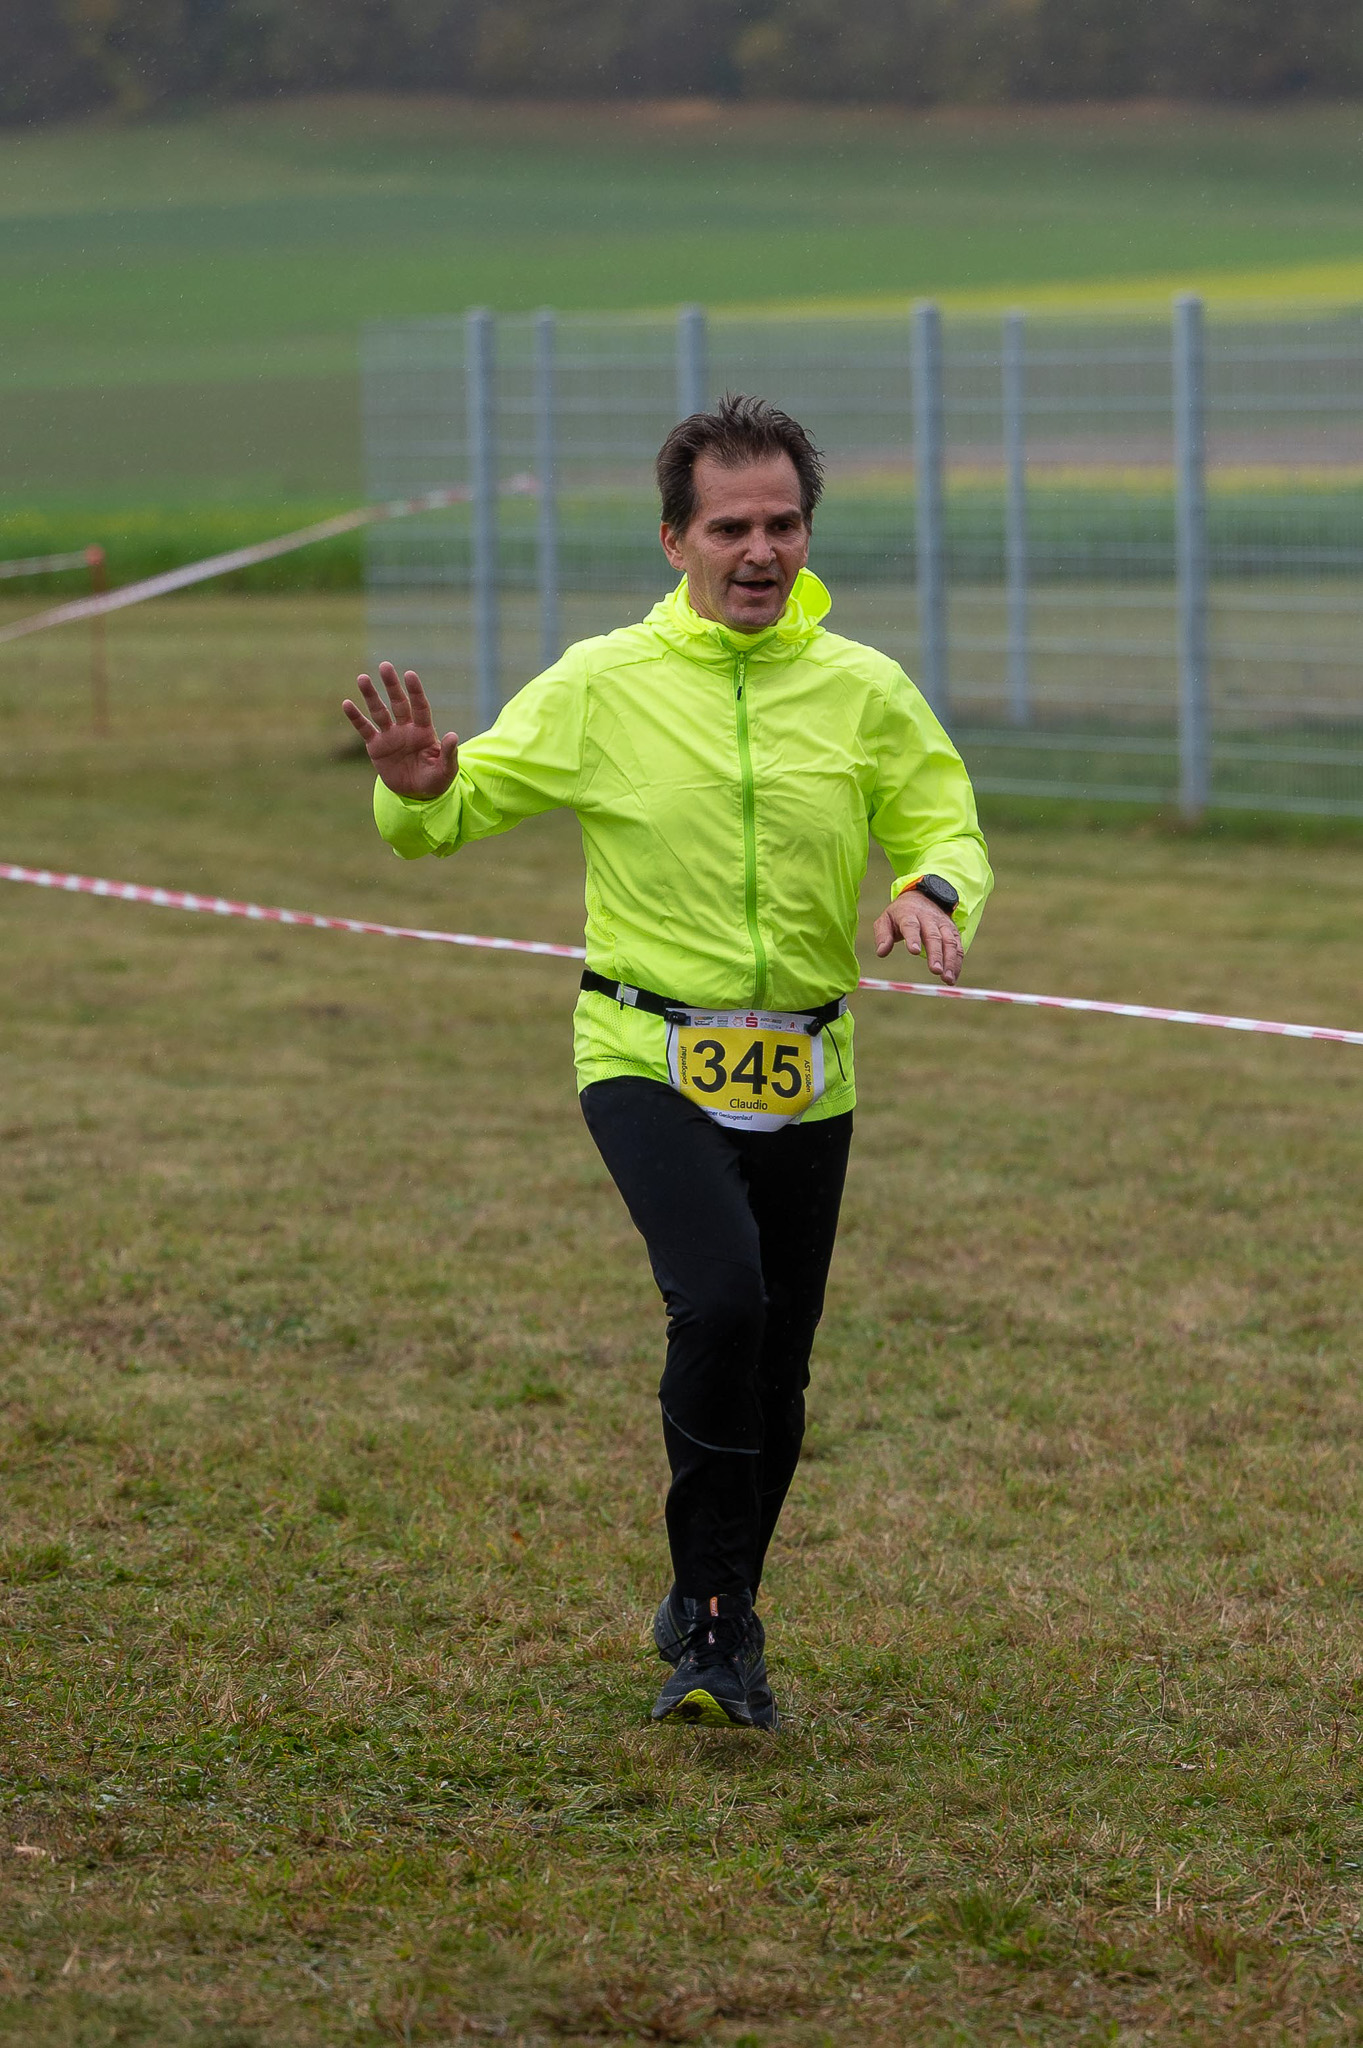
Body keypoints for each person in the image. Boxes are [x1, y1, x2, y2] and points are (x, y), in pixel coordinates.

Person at [342, 394, 992, 1730]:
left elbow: (943, 817)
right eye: (730, 528)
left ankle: (720, 1595)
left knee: (782, 1361)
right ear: (674, 541)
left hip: (809, 1066)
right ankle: (709, 1627)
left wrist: (931, 888)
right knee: (723, 1303)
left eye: (783, 525)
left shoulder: (865, 689)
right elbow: (459, 805)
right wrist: (418, 787)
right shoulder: (602, 684)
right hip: (643, 1047)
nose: (761, 551)